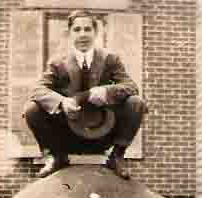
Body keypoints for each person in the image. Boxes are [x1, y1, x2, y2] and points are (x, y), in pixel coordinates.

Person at [25, 10, 146, 179]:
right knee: (32, 109)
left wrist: (107, 91)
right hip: (68, 133)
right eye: (77, 29)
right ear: (69, 33)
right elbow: (37, 90)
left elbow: (131, 87)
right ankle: (56, 157)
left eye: (87, 29)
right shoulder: (57, 63)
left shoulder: (110, 59)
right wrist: (62, 102)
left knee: (136, 103)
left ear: (96, 32)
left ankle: (117, 156)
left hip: (103, 132)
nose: (83, 35)